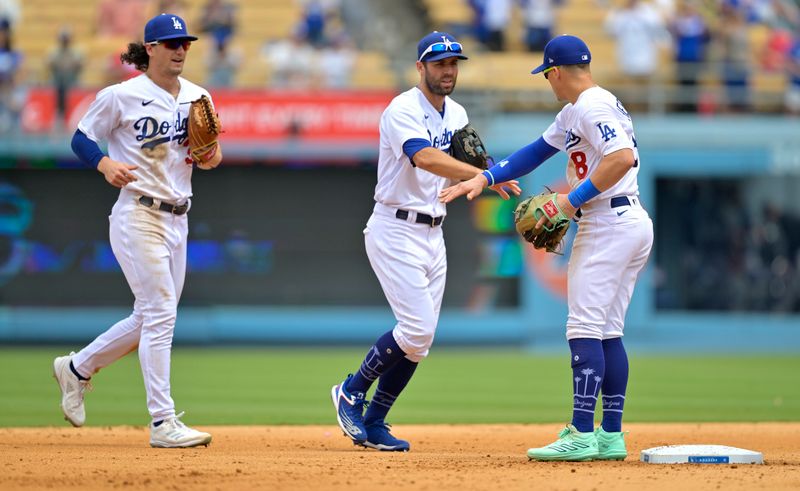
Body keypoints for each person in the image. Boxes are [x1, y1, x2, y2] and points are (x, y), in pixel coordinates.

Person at [439, 35, 653, 461]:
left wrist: (570, 200)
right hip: (625, 221)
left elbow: (621, 157)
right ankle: (610, 435)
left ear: (555, 71)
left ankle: (580, 432)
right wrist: (484, 178)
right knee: (608, 331)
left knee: (583, 328)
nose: (547, 83)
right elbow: (534, 152)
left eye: (546, 75)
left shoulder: (592, 105)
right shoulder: (577, 110)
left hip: (608, 222)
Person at [330, 31, 520, 452]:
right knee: (415, 328)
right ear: (421, 67)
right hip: (395, 228)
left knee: (421, 341)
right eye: (439, 63)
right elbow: (425, 157)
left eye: (454, 63)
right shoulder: (402, 109)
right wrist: (477, 176)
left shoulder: (456, 112)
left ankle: (376, 421)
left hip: (434, 232)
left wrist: (491, 172)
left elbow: (471, 153)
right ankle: (350, 390)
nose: (448, 70)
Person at [53, 13, 223, 448]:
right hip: (138, 213)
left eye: (184, 42)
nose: (180, 49)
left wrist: (209, 154)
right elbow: (81, 137)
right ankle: (163, 422)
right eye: (171, 44)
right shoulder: (122, 95)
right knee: (162, 313)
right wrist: (104, 162)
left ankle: (76, 368)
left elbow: (211, 156)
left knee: (149, 315)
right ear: (150, 49)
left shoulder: (198, 95)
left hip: (178, 217)